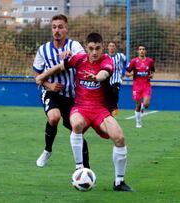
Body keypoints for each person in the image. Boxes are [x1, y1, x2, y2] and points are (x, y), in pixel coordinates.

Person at [36, 32, 134, 192]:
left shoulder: (107, 60)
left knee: (119, 137)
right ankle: (79, 169)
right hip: (80, 107)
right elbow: (61, 67)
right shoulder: (79, 59)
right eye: (91, 48)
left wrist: (96, 77)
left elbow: (105, 73)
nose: (94, 52)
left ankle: (119, 182)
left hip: (100, 110)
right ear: (86, 48)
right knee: (76, 124)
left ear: (102, 48)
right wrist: (42, 76)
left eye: (97, 48)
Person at [32, 14, 90, 168]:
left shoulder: (74, 45)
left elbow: (84, 58)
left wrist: (71, 55)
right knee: (53, 118)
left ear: (66, 29)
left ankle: (85, 170)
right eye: (54, 27)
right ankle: (47, 150)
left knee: (77, 130)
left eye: (60, 27)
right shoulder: (43, 50)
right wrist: (49, 85)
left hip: (72, 97)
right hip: (52, 93)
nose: (57, 30)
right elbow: (37, 76)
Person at [125, 44, 155, 128]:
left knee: (146, 104)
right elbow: (126, 73)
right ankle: (138, 122)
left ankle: (143, 107)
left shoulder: (150, 61)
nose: (141, 51)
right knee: (137, 104)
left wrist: (151, 75)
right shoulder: (133, 61)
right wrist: (131, 74)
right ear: (138, 51)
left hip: (146, 85)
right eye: (140, 49)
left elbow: (152, 71)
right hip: (136, 86)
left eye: (143, 49)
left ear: (145, 51)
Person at [106, 41, 126, 115]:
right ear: (108, 47)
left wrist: (123, 71)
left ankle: (115, 105)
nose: (111, 47)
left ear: (115, 47)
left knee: (115, 91)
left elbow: (126, 62)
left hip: (117, 77)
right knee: (108, 94)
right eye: (110, 46)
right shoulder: (105, 56)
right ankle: (110, 108)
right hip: (107, 78)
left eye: (113, 46)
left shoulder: (120, 56)